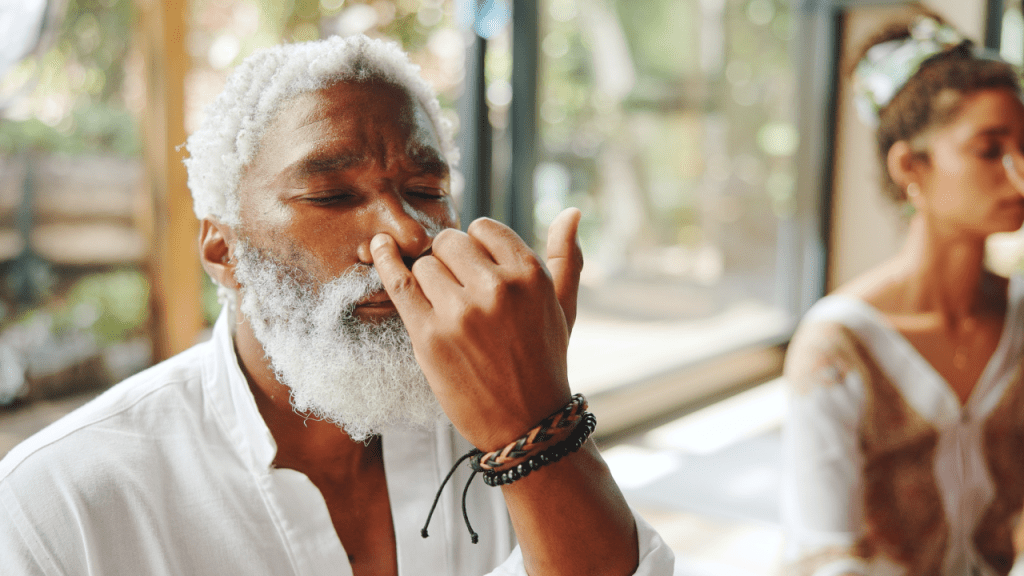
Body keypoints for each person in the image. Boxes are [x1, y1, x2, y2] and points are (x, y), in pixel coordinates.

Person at [0, 35, 674, 575]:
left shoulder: (500, 413)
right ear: (221, 247)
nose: (410, 233)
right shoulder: (60, 504)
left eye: (423, 187)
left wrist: (535, 420)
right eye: (331, 196)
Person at [782, 14, 1024, 576]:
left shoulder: (1018, 317)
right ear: (910, 166)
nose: (1020, 174)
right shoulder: (837, 349)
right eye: (990, 150)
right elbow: (824, 556)